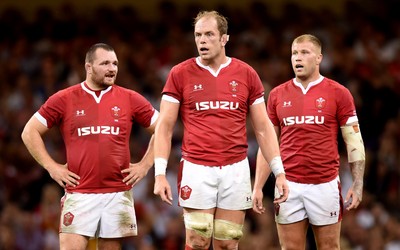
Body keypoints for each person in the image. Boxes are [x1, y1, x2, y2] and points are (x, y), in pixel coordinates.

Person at [153, 10, 289, 250]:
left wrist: (279, 171)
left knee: (228, 243)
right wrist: (160, 173)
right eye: (198, 35)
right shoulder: (179, 74)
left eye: (209, 34)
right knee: (197, 241)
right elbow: (164, 127)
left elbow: (264, 128)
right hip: (197, 168)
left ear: (224, 39)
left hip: (235, 169)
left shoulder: (247, 74)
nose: (202, 40)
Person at [21, 43, 159, 249]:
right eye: (105, 63)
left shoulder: (130, 98)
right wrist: (52, 167)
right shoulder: (64, 98)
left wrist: (145, 165)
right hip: (80, 192)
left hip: (117, 192)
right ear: (89, 67)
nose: (112, 68)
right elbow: (29, 132)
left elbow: (162, 129)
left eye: (115, 63)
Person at [256, 34, 366, 249]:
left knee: (329, 247)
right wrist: (258, 186)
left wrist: (358, 182)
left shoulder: (339, 93)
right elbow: (268, 144)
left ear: (319, 58)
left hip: (325, 184)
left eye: (305, 52)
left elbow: (354, 141)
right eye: (294, 53)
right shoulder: (277, 95)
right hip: (288, 184)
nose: (298, 57)